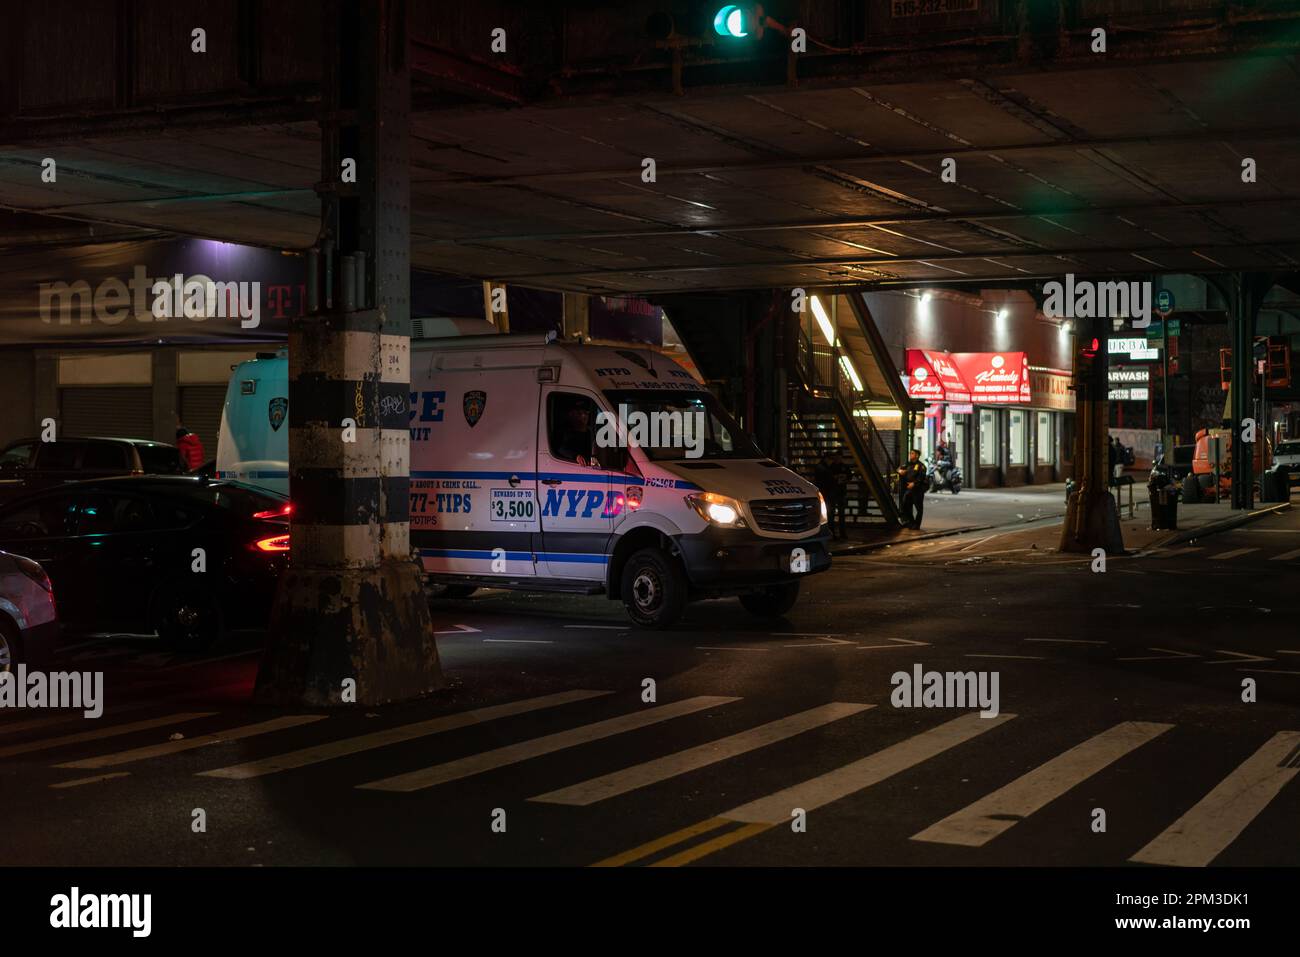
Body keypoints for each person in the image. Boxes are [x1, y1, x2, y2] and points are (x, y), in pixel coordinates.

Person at [814, 450, 851, 539]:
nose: (836, 459)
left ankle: (838, 533)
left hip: (838, 492)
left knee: (837, 514)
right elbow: (828, 479)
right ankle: (833, 533)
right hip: (832, 493)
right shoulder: (828, 467)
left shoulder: (839, 466)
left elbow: (849, 476)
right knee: (831, 514)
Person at [554, 397, 595, 465]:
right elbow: (559, 447)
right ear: (571, 414)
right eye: (579, 413)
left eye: (586, 412)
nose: (584, 415)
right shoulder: (563, 432)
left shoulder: (592, 434)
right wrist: (576, 456)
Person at [898, 448, 928, 529]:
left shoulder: (921, 466)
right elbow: (899, 469)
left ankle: (917, 525)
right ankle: (910, 522)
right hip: (909, 489)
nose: (910, 455)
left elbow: (921, 477)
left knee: (919, 508)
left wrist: (914, 483)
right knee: (905, 505)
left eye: (912, 453)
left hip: (918, 489)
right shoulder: (908, 464)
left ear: (917, 455)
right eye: (910, 453)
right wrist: (900, 471)